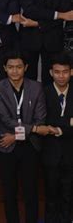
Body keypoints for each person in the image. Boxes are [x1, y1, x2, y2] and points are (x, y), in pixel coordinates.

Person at [0, 51, 47, 223]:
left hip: (29, 145)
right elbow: (6, 119)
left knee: (31, 190)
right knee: (9, 191)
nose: (15, 71)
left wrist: (16, 137)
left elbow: (41, 118)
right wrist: (35, 128)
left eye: (18, 67)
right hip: (6, 146)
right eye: (10, 67)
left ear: (26, 68)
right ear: (4, 69)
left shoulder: (36, 87)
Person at [42, 53, 73, 223]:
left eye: (65, 72)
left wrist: (58, 128)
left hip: (71, 154)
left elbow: (52, 123)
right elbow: (43, 121)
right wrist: (69, 122)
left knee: (69, 196)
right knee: (51, 196)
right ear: (50, 72)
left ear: (71, 72)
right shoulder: (43, 92)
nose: (61, 76)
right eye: (57, 71)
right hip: (49, 154)